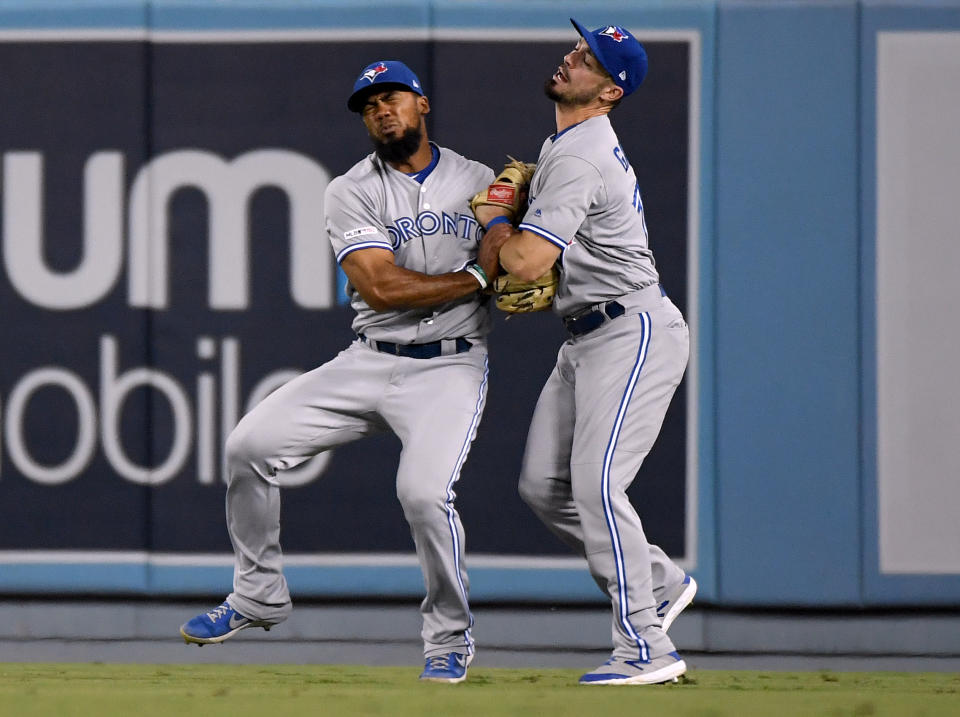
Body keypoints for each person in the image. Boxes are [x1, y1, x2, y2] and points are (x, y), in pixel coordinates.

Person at [179, 60, 500, 684]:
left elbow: (511, 254)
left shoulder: (478, 179)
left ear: (422, 103)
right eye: (368, 104)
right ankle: (258, 594)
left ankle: (448, 639)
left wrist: (507, 249)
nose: (381, 110)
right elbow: (381, 287)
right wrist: (477, 278)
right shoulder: (350, 188)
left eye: (392, 97)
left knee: (424, 495)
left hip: (450, 367)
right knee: (248, 446)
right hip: (370, 358)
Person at [473, 20, 698, 685]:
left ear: (609, 91)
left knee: (599, 482)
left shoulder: (578, 154)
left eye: (590, 58)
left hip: (633, 330)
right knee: (544, 486)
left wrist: (493, 219)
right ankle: (656, 578)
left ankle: (646, 646)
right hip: (588, 337)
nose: (572, 57)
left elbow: (524, 260)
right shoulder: (567, 143)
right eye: (577, 47)